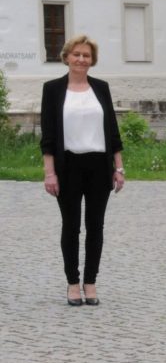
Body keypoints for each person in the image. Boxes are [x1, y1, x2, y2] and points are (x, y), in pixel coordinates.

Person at [40, 35, 125, 306]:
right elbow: (49, 136)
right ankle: (72, 284)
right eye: (76, 54)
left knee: (96, 227)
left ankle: (91, 283)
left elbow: (112, 131)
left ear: (92, 60)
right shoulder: (52, 89)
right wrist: (49, 172)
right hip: (68, 167)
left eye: (86, 55)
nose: (81, 59)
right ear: (66, 57)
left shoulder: (101, 88)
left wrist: (119, 167)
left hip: (99, 166)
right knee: (71, 226)